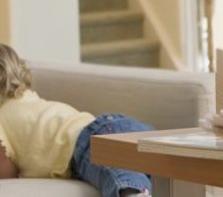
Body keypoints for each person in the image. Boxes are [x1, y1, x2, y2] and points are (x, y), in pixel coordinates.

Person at [0, 43, 153, 197]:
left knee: (117, 170)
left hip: (87, 141)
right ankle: (138, 190)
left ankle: (132, 193)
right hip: (113, 127)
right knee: (133, 168)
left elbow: (5, 172)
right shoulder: (25, 96)